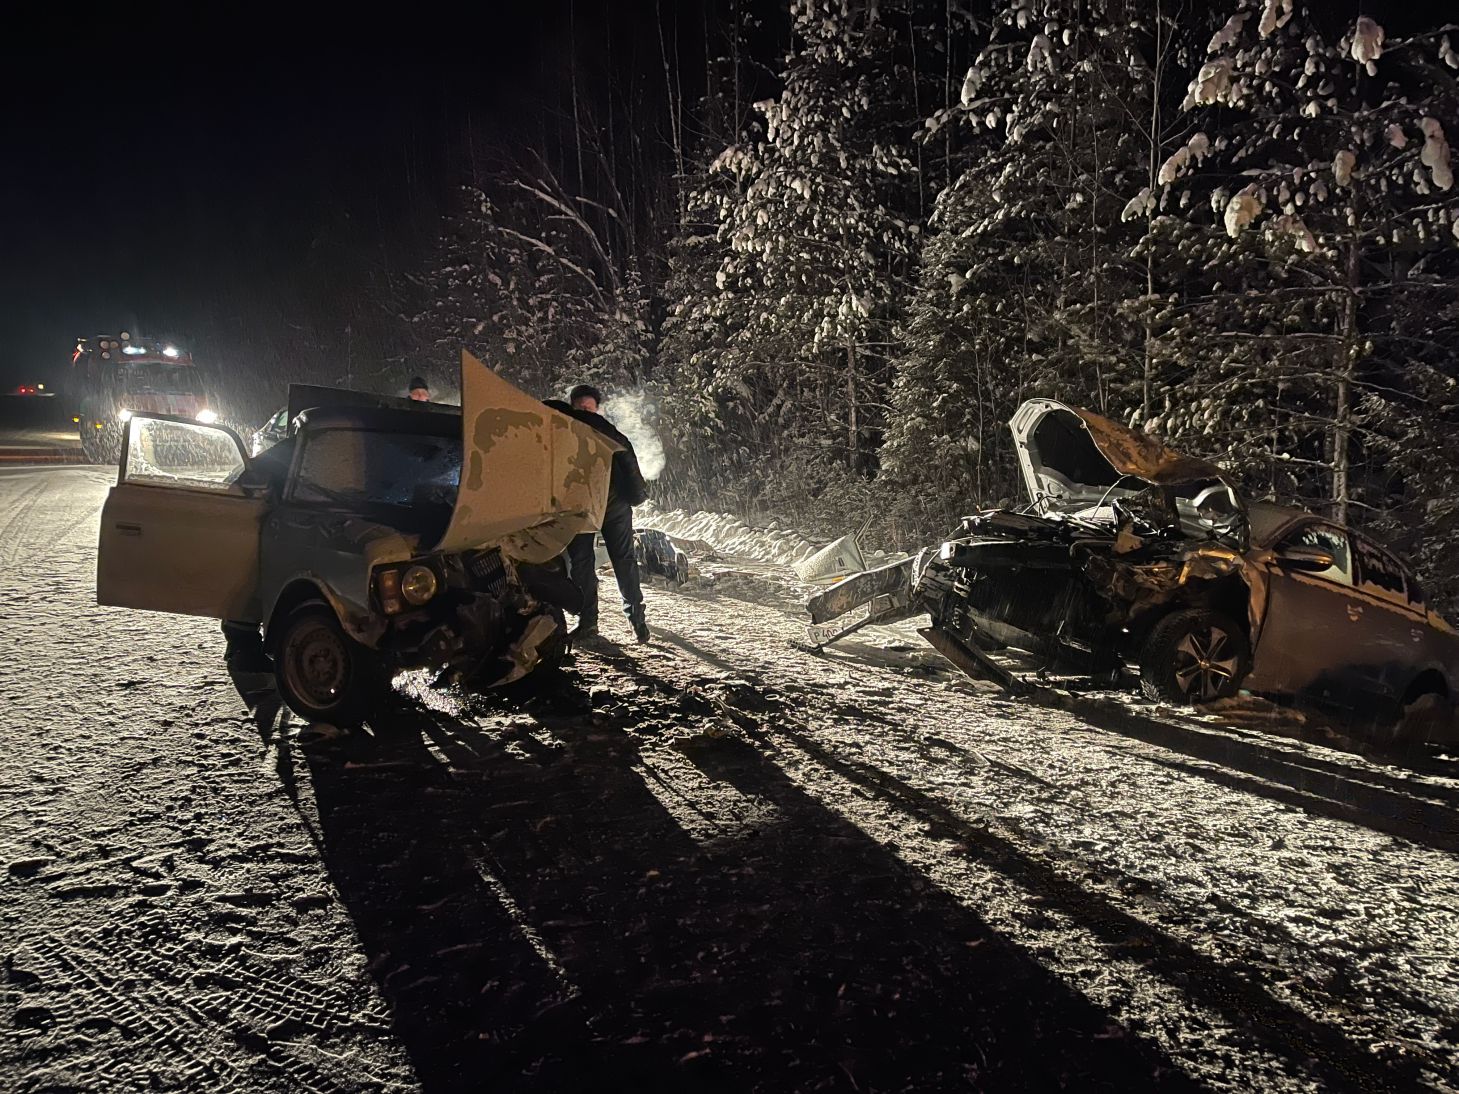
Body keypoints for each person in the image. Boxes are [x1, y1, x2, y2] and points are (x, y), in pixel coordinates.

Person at [553, 384, 650, 643]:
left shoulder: (607, 432)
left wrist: (636, 494)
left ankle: (636, 619)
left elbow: (628, 460)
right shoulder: (562, 430)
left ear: (597, 409)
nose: (585, 413)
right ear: (572, 406)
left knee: (623, 559)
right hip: (579, 504)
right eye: (580, 408)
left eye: (589, 408)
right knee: (581, 563)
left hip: (613, 503)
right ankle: (588, 622)